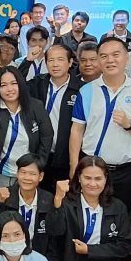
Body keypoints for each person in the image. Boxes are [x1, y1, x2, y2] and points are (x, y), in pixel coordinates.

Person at [70, 37, 131, 211]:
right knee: (87, 214)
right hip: (91, 168)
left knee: (121, 216)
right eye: (104, 56)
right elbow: (77, 130)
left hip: (126, 171)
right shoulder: (87, 90)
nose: (110, 60)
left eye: (116, 55)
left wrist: (129, 124)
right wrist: (74, 166)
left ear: (127, 58)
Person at [0, 66, 54, 187]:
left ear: (21, 84)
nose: (9, 89)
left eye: (14, 83)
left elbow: (47, 137)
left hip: (27, 175)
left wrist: (37, 166)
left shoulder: (36, 106)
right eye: (3, 85)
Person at [28, 44, 83, 189]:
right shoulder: (38, 83)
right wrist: (28, 61)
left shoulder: (80, 88)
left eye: (60, 59)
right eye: (51, 60)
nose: (55, 64)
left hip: (65, 158)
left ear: (70, 62)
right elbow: (16, 84)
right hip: (38, 154)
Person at [0, 154, 60, 261]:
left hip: (38, 256)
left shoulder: (49, 199)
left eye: (32, 174)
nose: (27, 178)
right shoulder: (5, 195)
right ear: (17, 173)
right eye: (23, 172)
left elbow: (55, 235)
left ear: (41, 176)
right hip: (7, 254)